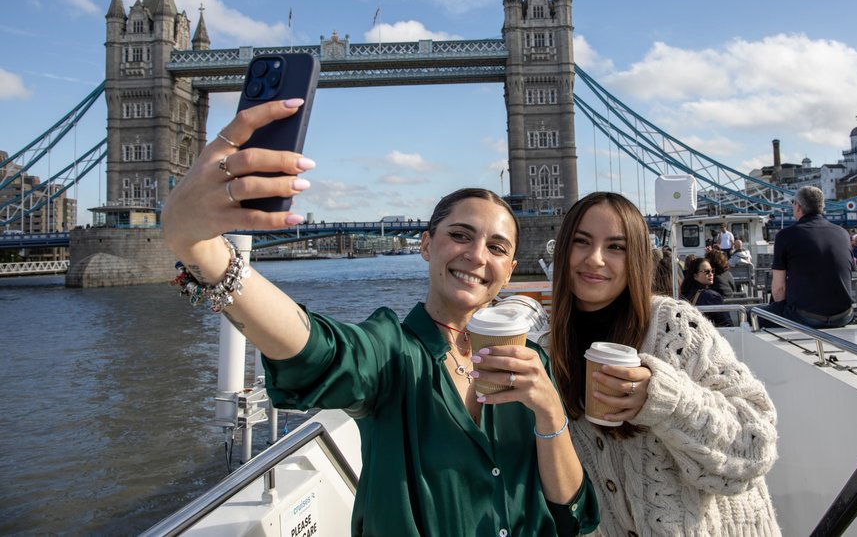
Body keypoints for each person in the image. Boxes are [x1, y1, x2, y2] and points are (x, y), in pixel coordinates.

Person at [161, 101, 598, 536]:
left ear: (508, 269)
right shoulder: (391, 352)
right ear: (426, 245)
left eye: (497, 248)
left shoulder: (530, 363)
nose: (477, 255)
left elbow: (574, 514)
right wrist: (203, 250)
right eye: (459, 235)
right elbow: (318, 352)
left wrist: (548, 410)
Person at [542, 192, 780, 536]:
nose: (594, 259)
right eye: (581, 242)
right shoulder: (546, 352)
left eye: (616, 247)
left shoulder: (674, 325)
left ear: (637, 257)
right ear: (563, 251)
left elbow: (756, 447)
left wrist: (664, 399)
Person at [762, 186, 855, 328]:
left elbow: (779, 289)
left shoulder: (786, 235)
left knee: (751, 315)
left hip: (805, 317)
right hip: (844, 316)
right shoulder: (843, 233)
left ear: (798, 207)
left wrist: (781, 317)